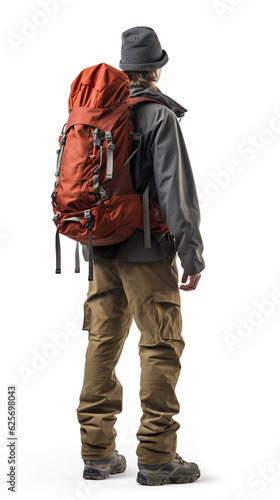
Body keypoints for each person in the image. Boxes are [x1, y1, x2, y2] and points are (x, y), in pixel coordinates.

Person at [76, 26, 205, 486]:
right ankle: (156, 456)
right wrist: (192, 254)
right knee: (160, 344)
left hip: (99, 245)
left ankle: (96, 453)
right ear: (157, 67)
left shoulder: (96, 112)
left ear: (124, 67)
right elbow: (177, 192)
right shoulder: (157, 115)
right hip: (147, 251)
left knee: (102, 341)